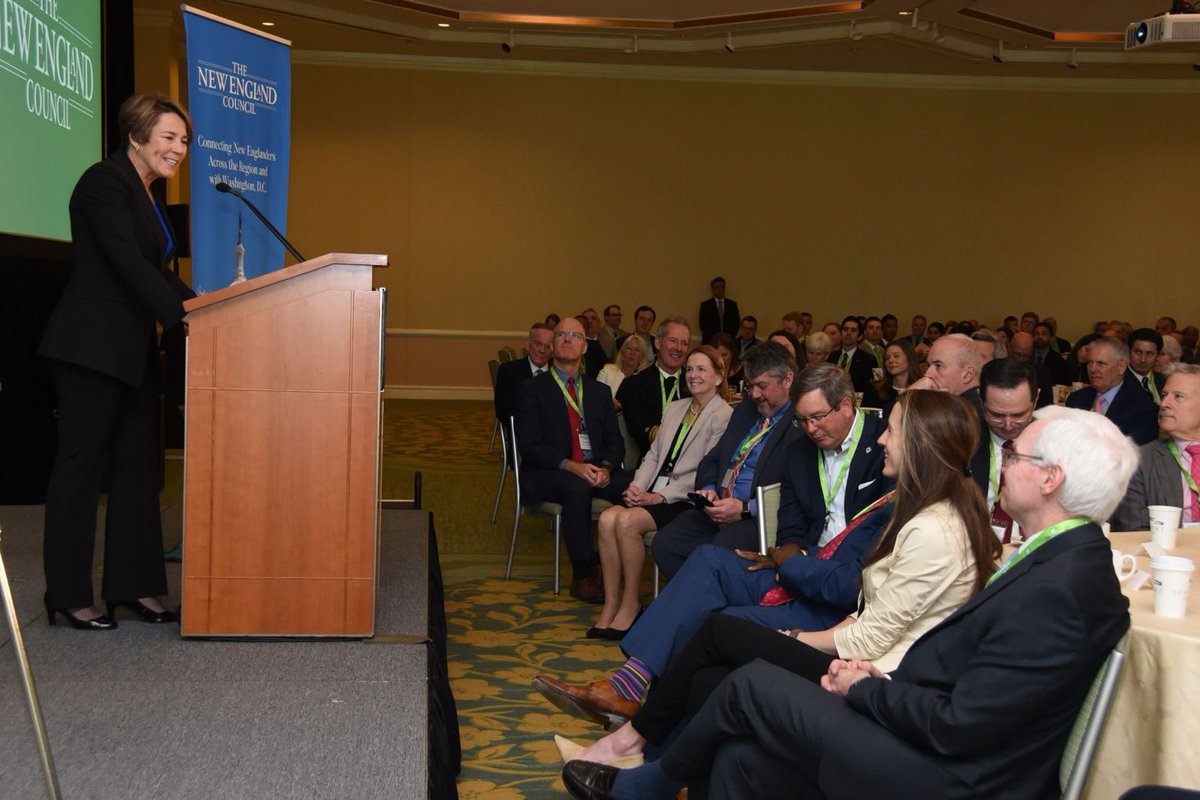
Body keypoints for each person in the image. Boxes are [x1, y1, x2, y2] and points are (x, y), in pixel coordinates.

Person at [564, 405, 1134, 800]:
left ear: (1051, 479)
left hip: (950, 775)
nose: (1001, 461)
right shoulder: (1061, 562)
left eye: (1016, 454)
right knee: (741, 758)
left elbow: (963, 727)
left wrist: (865, 687)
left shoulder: (1059, 589)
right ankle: (653, 772)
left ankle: (648, 785)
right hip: (922, 724)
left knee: (751, 680)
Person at [536, 365, 893, 726]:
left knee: (714, 622)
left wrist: (795, 561)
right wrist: (787, 553)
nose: (811, 429)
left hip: (838, 587)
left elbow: (868, 560)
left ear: (847, 406)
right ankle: (627, 686)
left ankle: (648, 721)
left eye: (818, 418)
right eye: (803, 421)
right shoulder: (801, 450)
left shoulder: (885, 450)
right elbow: (793, 523)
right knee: (708, 560)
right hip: (797, 565)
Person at [39, 93, 196, 630]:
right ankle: (68, 596)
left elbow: (157, 270)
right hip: (89, 351)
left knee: (137, 472)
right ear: (136, 136)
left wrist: (208, 308)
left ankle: (134, 588)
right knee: (79, 473)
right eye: (169, 138)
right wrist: (187, 316)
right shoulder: (104, 183)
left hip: (131, 354)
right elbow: (129, 266)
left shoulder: (146, 193)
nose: (179, 149)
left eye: (183, 141)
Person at [590, 347, 733, 638]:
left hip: (684, 499)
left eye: (702, 369)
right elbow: (653, 456)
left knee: (627, 522)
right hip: (652, 490)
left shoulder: (724, 415)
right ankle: (611, 602)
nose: (693, 375)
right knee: (607, 518)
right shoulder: (675, 408)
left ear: (719, 377)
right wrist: (636, 487)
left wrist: (660, 496)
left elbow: (707, 470)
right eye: (689, 369)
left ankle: (630, 604)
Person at [647, 343, 801, 578]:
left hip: (758, 519)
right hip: (717, 508)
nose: (755, 394)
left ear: (788, 379)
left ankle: (702, 609)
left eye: (762, 386)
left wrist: (746, 509)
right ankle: (702, 608)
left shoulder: (801, 423)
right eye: (751, 386)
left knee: (715, 553)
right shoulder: (745, 411)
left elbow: (797, 492)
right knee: (666, 543)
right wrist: (709, 490)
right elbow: (713, 459)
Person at [515, 317, 632, 603]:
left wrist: (606, 468)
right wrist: (571, 465)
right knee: (576, 488)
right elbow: (529, 446)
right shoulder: (532, 390)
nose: (567, 339)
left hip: (594, 469)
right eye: (562, 335)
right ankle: (585, 571)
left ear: (584, 347)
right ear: (553, 345)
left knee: (635, 485)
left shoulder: (599, 392)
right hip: (548, 472)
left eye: (575, 335)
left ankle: (624, 566)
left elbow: (615, 442)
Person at [1111, 364, 1200, 530]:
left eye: (1178, 396)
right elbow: (1134, 533)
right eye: (1164, 395)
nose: (1164, 403)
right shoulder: (1140, 462)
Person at [616, 317, 692, 459]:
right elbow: (641, 434)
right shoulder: (634, 385)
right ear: (658, 342)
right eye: (673, 341)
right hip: (652, 465)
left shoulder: (694, 384)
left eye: (684, 343)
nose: (679, 348)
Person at [1066, 337, 1159, 444]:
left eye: (1101, 364)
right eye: (1090, 363)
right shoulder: (1076, 399)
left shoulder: (1143, 409)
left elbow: (1133, 453)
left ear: (1121, 367)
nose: (1092, 369)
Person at [494, 323, 554, 426]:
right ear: (528, 345)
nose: (542, 350)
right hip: (524, 432)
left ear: (553, 351)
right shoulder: (509, 372)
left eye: (547, 346)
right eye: (538, 344)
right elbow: (504, 411)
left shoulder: (559, 373)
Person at [861, 339, 918, 416]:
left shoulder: (921, 390)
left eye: (896, 356)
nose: (891, 360)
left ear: (909, 359)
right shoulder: (874, 391)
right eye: (887, 358)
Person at [827, 316, 874, 393]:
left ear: (860, 337)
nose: (848, 332)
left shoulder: (868, 360)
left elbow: (868, 390)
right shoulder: (831, 357)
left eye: (853, 330)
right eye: (845, 329)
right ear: (841, 334)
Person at [596, 333, 645, 404]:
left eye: (637, 350)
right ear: (622, 353)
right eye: (629, 348)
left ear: (641, 357)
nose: (632, 353)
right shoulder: (607, 370)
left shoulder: (645, 378)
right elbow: (596, 396)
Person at [1127, 327, 1166, 404]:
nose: (1143, 359)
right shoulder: (1117, 381)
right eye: (1138, 352)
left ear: (1158, 355)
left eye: (1149, 353)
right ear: (1129, 351)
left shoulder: (1163, 380)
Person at [698, 277, 740, 344]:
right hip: (710, 341)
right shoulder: (706, 305)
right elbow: (703, 324)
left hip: (728, 341)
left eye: (722, 287)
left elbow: (736, 323)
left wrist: (728, 337)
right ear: (712, 289)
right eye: (717, 287)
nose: (720, 290)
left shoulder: (732, 305)